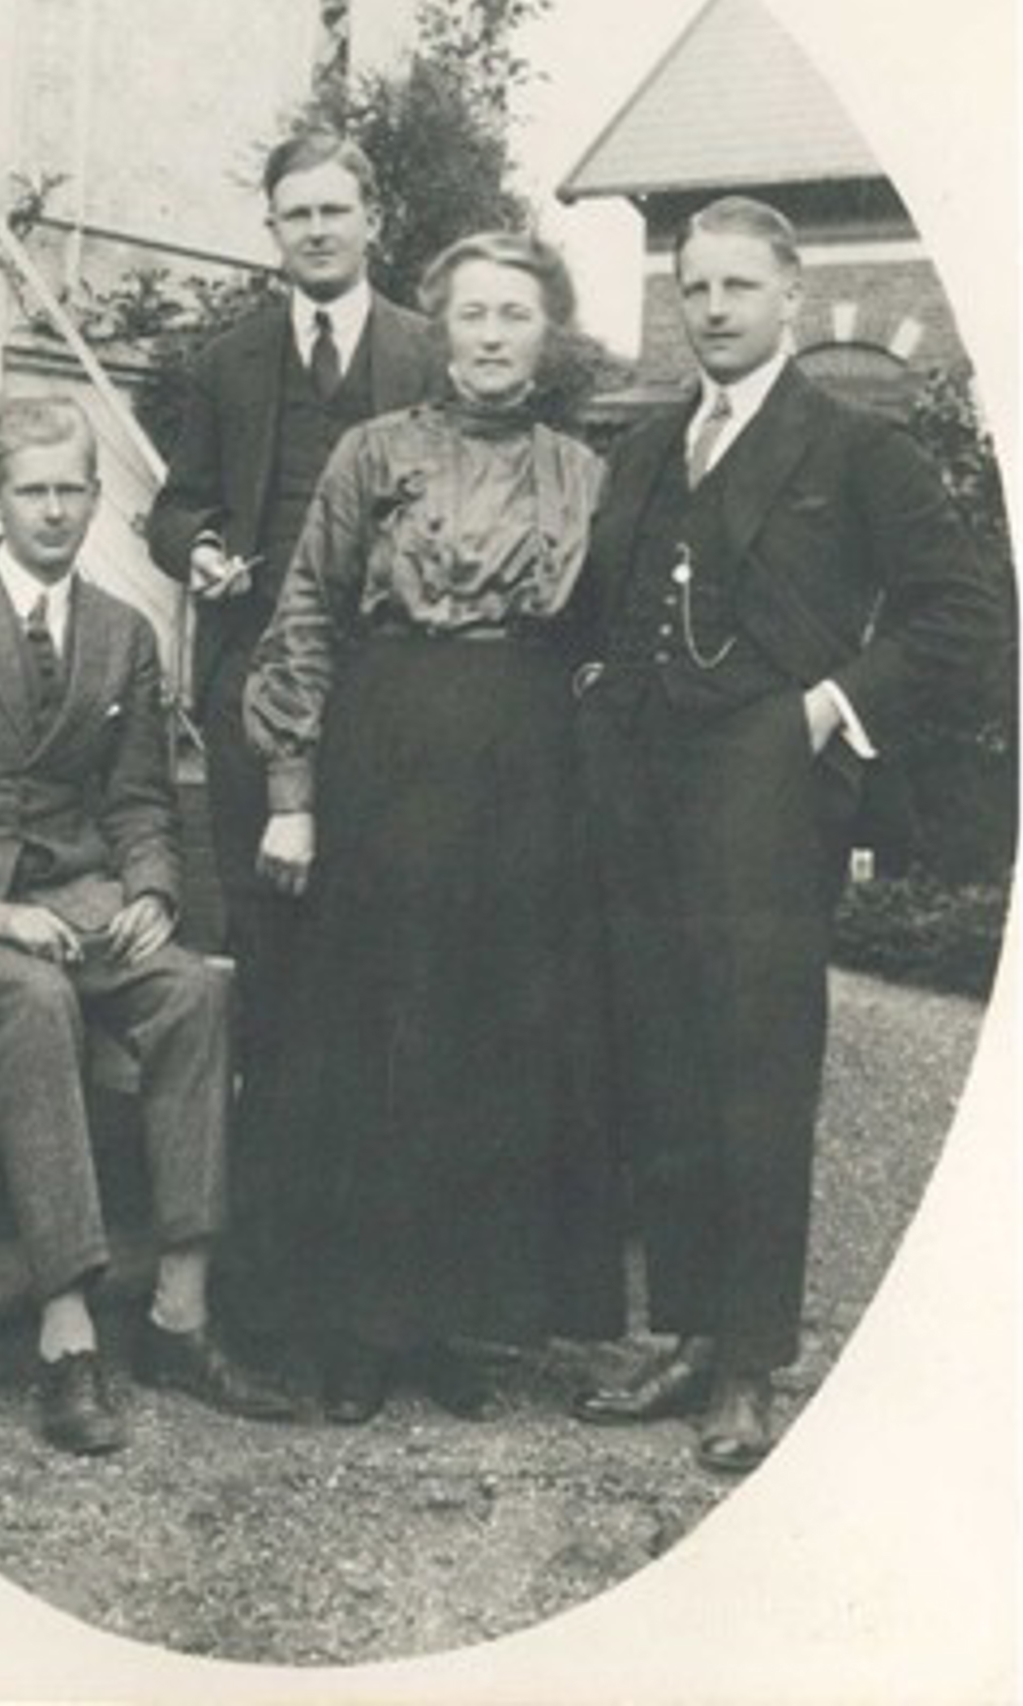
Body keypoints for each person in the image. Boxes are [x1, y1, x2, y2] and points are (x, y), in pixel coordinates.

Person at [571, 196, 999, 1473]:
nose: (711, 309)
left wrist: (828, 707)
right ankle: (693, 1329)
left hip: (767, 793)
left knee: (755, 1069)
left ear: (789, 298)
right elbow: (607, 607)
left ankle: (751, 1363)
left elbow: (965, 614)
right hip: (641, 793)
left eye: (737, 288)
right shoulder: (647, 447)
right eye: (694, 287)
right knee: (662, 1057)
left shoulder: (853, 448)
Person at [0, 396, 294, 1455]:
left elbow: (136, 800)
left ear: (95, 497)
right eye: (30, 489)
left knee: (196, 988)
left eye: (70, 488)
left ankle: (181, 1311)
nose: (51, 509)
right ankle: (67, 1324)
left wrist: (148, 891)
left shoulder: (123, 632)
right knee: (34, 999)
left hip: (79, 896)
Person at [243, 231, 626, 1423]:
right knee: (377, 1032)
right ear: (440, 327)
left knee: (491, 1038)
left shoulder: (587, 473)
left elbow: (609, 647)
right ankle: (358, 1327)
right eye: (473, 314)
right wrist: (293, 796)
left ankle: (461, 1320)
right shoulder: (374, 452)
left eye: (517, 314)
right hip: (389, 749)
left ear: (547, 334)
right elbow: (304, 612)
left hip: (527, 771)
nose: (495, 335)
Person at [145, 127, 437, 1338]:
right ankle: (263, 1275)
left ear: (371, 217)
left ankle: (377, 1275)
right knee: (266, 973)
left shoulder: (429, 347)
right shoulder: (229, 360)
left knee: (383, 974)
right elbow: (176, 504)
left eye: (333, 210)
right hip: (256, 686)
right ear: (272, 232)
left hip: (391, 695)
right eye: (293, 215)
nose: (315, 230)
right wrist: (199, 550)